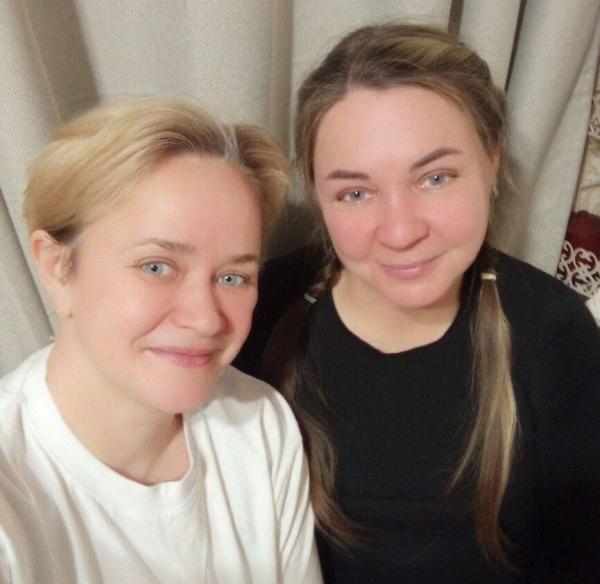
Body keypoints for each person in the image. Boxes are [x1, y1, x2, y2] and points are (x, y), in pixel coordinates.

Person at [235, 24, 600, 583]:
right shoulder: (257, 313)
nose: (401, 232)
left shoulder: (552, 332)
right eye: (356, 192)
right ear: (317, 194)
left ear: (492, 162)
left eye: (435, 178)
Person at [0, 98, 322, 583]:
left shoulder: (258, 424)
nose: (205, 319)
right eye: (156, 267)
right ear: (57, 268)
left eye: (233, 277)